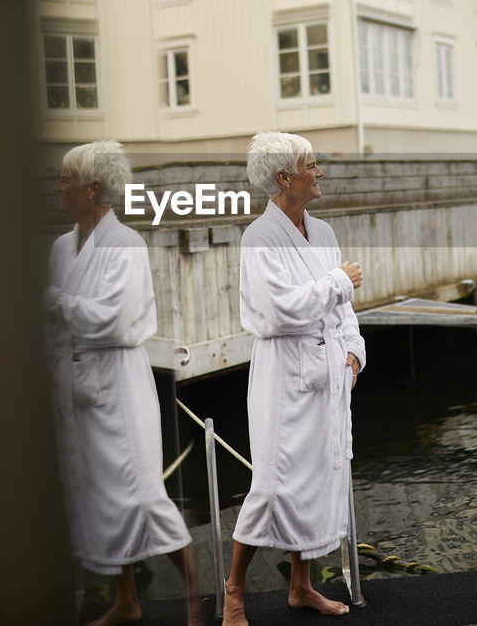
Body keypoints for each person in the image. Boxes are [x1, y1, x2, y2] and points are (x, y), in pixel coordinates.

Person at [44, 140, 201, 626]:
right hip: (78, 388)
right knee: (95, 495)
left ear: (92, 188)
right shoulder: (60, 248)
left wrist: (55, 302)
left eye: (66, 179)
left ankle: (198, 599)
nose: (58, 187)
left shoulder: (126, 246)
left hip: (120, 384)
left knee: (141, 495)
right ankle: (127, 601)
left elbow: (115, 321)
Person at [222, 131, 366, 625]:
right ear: (284, 177)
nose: (319, 171)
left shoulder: (323, 233)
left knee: (320, 479)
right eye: (311, 164)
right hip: (283, 377)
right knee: (274, 485)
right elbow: (281, 311)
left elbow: (342, 310)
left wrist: (353, 352)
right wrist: (338, 280)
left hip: (327, 374)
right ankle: (234, 592)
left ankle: (301, 588)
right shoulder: (259, 238)